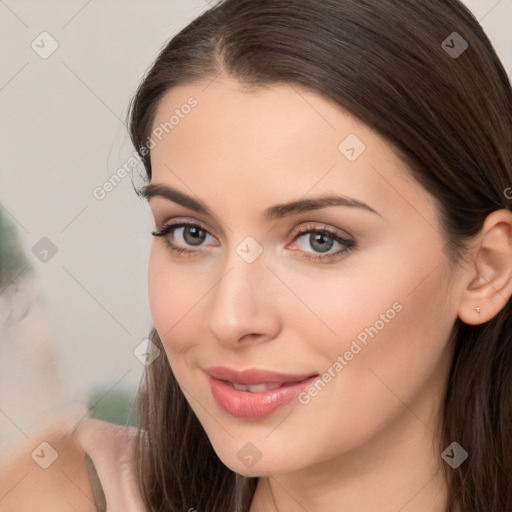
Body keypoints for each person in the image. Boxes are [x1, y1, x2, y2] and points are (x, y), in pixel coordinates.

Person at [1, 0, 511, 511]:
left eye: (320, 240)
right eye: (190, 234)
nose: (229, 318)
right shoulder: (64, 493)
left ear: (485, 270)